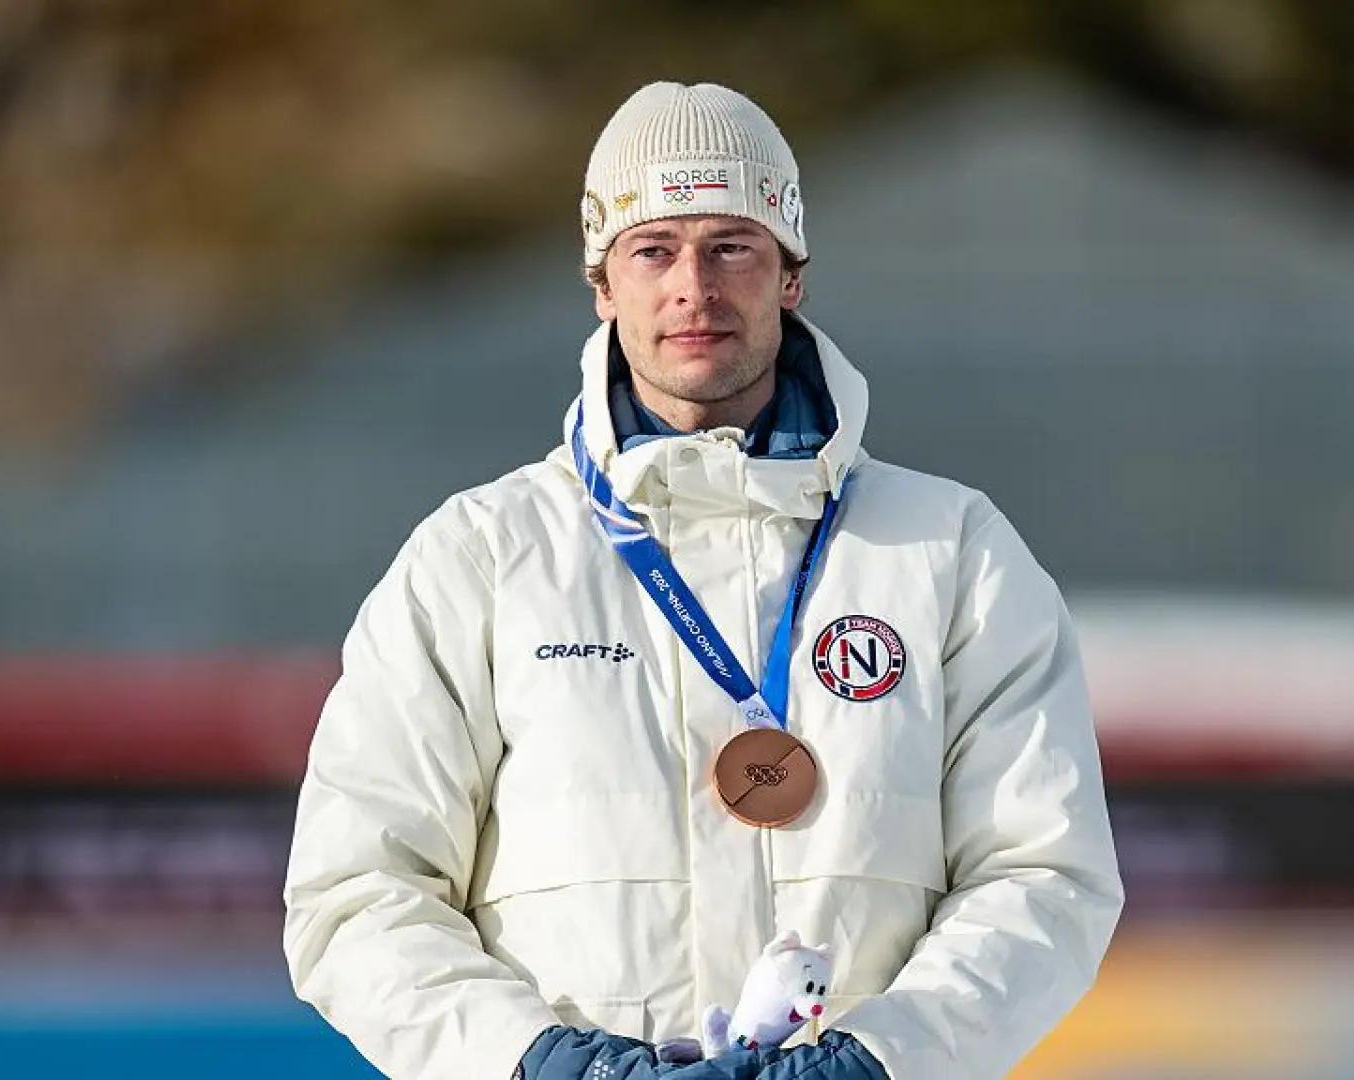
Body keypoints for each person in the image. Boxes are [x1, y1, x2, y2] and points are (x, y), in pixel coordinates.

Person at [283, 81, 1124, 1080]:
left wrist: (881, 1061)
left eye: (732, 245)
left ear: (790, 275)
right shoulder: (481, 557)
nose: (695, 286)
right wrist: (545, 1064)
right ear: (602, 284)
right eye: (654, 250)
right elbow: (356, 893)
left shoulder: (950, 552)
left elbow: (1044, 874)